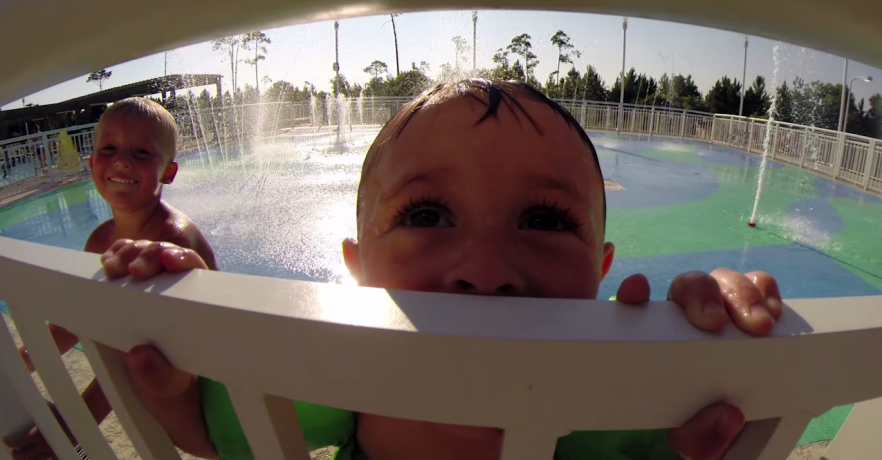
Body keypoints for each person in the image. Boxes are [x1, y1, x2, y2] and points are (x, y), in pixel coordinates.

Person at [92, 81, 782, 460]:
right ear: (357, 272)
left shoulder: (610, 400)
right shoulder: (342, 377)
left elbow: (212, 438)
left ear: (600, 273)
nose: (484, 271)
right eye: (425, 214)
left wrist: (711, 347)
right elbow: (213, 435)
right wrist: (176, 366)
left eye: (543, 220)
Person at [3, 97, 217, 460]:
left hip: (200, 401)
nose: (121, 160)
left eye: (141, 152)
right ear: (91, 164)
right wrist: (25, 360)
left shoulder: (171, 242)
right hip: (156, 378)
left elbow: (125, 357)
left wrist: (72, 429)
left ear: (169, 172)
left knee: (123, 346)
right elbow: (84, 317)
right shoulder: (100, 240)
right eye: (109, 148)